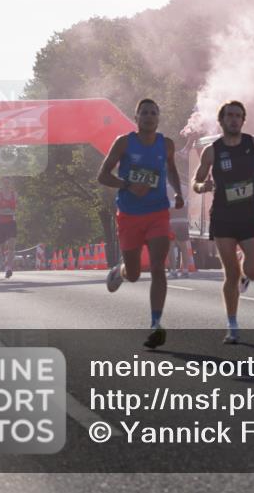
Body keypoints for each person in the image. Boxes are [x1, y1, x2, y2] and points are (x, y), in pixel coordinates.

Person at [97, 98, 185, 349]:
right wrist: (127, 185)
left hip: (158, 213)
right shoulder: (124, 142)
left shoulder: (166, 144)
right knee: (135, 274)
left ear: (158, 118)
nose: (148, 117)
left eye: (153, 113)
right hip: (129, 214)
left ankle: (156, 323)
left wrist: (177, 192)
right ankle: (120, 270)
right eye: (144, 113)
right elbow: (102, 175)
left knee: (158, 266)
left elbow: (171, 170)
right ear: (136, 118)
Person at [192, 100, 254, 344]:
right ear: (221, 120)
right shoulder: (212, 151)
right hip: (223, 217)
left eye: (238, 116)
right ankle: (232, 324)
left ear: (243, 120)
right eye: (230, 115)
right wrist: (203, 186)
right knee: (230, 274)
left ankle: (244, 273)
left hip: (250, 215)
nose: (234, 119)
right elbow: (196, 182)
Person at [0, 178, 19, 279]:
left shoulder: (15, 195)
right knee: (2, 248)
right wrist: (4, 211)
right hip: (0, 223)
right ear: (1, 184)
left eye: (8, 183)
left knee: (12, 246)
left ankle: (9, 267)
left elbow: (17, 208)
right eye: (5, 183)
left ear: (11, 184)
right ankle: (5, 261)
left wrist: (10, 211)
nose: (6, 185)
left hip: (11, 222)